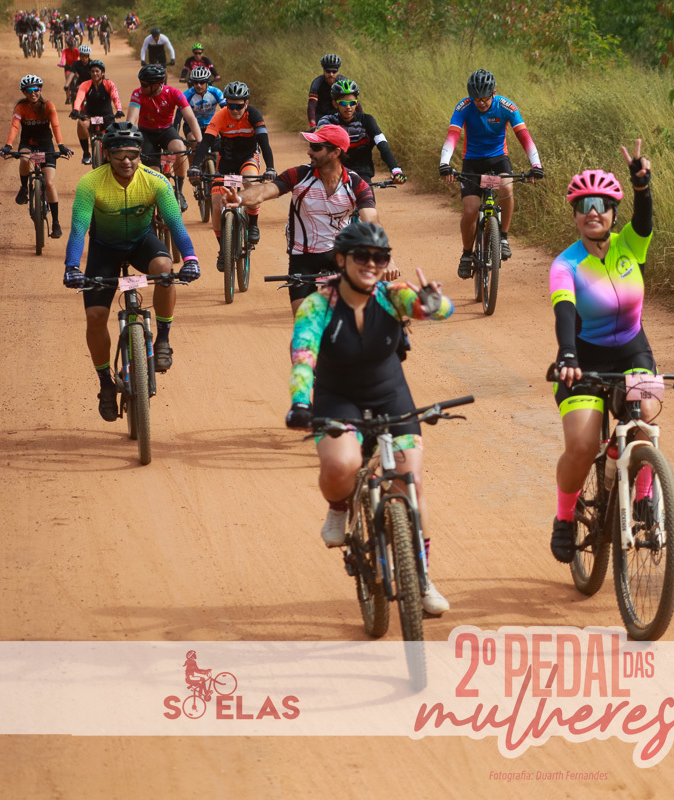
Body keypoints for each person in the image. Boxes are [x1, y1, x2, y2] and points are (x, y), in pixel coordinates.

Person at [284, 221, 454, 615]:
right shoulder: (317, 305)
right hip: (338, 398)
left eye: (380, 257)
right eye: (362, 255)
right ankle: (339, 507)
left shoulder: (393, 295)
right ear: (341, 260)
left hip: (390, 396)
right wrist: (300, 403)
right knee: (342, 464)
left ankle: (422, 577)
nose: (372, 263)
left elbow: (436, 310)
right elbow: (304, 357)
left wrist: (434, 302)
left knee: (411, 484)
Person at [547, 142, 652, 563]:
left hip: (633, 351)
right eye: (584, 205)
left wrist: (642, 186)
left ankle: (644, 497)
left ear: (613, 212)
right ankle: (565, 517)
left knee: (645, 423)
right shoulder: (565, 265)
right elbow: (564, 312)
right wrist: (567, 356)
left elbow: (644, 219)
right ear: (575, 214)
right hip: (584, 358)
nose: (593, 212)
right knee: (581, 445)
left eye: (602, 204)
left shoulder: (631, 245)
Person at [62, 121, 200, 420]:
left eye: (133, 154)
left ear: (140, 154)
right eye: (119, 155)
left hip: (141, 243)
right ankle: (105, 384)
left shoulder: (155, 180)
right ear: (107, 154)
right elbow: (79, 229)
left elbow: (175, 224)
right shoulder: (91, 183)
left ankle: (162, 340)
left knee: (165, 269)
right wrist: (72, 266)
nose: (127, 161)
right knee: (95, 316)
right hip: (104, 250)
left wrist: (190, 258)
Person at [219, 125, 380, 314]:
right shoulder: (299, 175)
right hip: (303, 257)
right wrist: (239, 199)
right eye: (310, 146)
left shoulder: (356, 184)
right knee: (303, 318)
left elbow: (371, 220)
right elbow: (264, 191)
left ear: (336, 152)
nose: (309, 151)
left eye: (316, 147)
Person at [438, 68, 544, 279]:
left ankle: (503, 237)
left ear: (493, 93)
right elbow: (452, 136)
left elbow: (525, 137)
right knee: (470, 210)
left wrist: (536, 165)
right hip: (472, 162)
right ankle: (466, 254)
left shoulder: (506, 106)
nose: (481, 103)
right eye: (476, 99)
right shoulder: (464, 107)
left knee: (506, 188)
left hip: (498, 159)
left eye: (485, 98)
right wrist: (444, 163)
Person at [188, 81, 275, 248]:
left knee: (251, 183)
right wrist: (195, 166)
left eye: (239, 106)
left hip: (248, 157)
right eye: (230, 106)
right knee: (216, 203)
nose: (234, 110)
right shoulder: (220, 116)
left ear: (246, 103)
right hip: (227, 161)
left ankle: (253, 224)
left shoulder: (254, 115)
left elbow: (264, 143)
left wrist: (270, 167)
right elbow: (205, 143)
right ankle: (223, 249)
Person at [0, 74, 73, 238]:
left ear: (40, 90)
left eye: (36, 89)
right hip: (28, 145)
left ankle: (56, 223)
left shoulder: (48, 106)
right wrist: (8, 145)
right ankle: (24, 188)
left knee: (50, 184)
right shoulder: (21, 107)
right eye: (29, 90)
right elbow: (14, 127)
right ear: (24, 93)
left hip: (46, 146)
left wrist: (61, 145)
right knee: (24, 158)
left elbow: (56, 126)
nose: (33, 93)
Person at [128, 63, 202, 210]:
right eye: (141, 83)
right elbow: (131, 120)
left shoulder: (173, 93)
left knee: (179, 148)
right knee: (154, 173)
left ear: (156, 85)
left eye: (145, 85)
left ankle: (179, 191)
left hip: (166, 131)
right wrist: (130, 138)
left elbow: (190, 118)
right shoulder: (138, 94)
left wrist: (200, 141)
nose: (141, 87)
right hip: (146, 133)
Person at [316, 79, 405, 184]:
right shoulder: (327, 122)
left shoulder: (367, 120)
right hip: (335, 174)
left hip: (362, 174)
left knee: (367, 195)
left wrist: (396, 170)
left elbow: (382, 145)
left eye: (352, 103)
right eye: (343, 103)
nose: (348, 107)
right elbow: (318, 149)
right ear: (335, 104)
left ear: (357, 103)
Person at [69, 60, 123, 164]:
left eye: (97, 71)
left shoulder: (109, 84)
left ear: (102, 73)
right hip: (90, 115)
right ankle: (86, 154)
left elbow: (115, 98)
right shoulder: (85, 84)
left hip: (107, 116)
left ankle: (113, 156)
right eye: (92, 71)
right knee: (81, 123)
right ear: (90, 73)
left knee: (115, 135)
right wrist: (75, 110)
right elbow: (79, 98)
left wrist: (119, 110)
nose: (95, 73)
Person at [181, 67, 224, 163]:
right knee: (193, 141)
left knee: (217, 153)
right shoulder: (186, 95)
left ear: (207, 82)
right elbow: (178, 116)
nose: (198, 85)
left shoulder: (216, 92)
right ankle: (193, 168)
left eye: (202, 82)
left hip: (211, 125)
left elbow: (226, 110)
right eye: (195, 82)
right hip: (191, 126)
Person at [307, 54, 341, 129]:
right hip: (321, 116)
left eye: (334, 71)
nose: (331, 74)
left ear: (338, 72)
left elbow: (355, 104)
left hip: (339, 116)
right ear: (324, 71)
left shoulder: (344, 82)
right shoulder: (317, 83)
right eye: (328, 71)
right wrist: (312, 125)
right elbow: (312, 105)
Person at [63, 44, 92, 109]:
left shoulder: (92, 64)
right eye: (82, 56)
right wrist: (66, 85)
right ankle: (76, 109)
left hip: (91, 83)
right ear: (80, 56)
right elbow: (71, 74)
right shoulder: (76, 64)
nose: (84, 58)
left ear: (88, 56)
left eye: (86, 56)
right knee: (75, 94)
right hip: (80, 83)